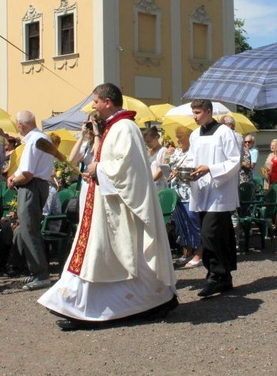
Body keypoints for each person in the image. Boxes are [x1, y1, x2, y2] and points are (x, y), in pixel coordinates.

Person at [39, 83, 177, 330]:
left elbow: (129, 169)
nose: (92, 106)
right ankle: (76, 304)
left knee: (118, 255)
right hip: (105, 204)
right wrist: (96, 168)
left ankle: (149, 301)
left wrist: (98, 169)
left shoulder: (125, 128)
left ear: (108, 102)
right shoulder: (114, 128)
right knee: (101, 255)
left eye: (95, 101)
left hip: (120, 209)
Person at [185, 99, 241, 297]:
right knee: (219, 235)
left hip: (219, 192)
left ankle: (215, 276)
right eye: (194, 112)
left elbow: (235, 161)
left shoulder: (224, 132)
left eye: (198, 112)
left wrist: (211, 168)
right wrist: (184, 171)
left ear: (209, 111)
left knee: (210, 234)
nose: (195, 116)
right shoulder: (194, 135)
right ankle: (222, 276)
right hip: (201, 190)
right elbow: (191, 158)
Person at [7, 110, 55, 291]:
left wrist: (13, 180)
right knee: (30, 229)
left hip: (31, 187)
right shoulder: (43, 138)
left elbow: (27, 174)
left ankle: (40, 274)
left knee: (28, 230)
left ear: (21, 125)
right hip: (40, 185)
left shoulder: (33, 141)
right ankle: (37, 271)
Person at [167, 126, 202, 268]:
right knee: (181, 225)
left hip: (189, 193)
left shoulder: (194, 153)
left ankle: (199, 253)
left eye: (180, 137)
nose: (178, 140)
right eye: (177, 137)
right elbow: (170, 166)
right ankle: (186, 252)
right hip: (177, 193)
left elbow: (194, 171)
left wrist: (180, 172)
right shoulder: (176, 153)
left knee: (193, 222)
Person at [143, 126, 168, 191]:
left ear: (156, 138)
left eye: (149, 141)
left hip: (158, 185)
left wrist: (150, 181)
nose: (148, 144)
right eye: (146, 142)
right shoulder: (147, 152)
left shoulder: (163, 151)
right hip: (148, 183)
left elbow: (161, 170)